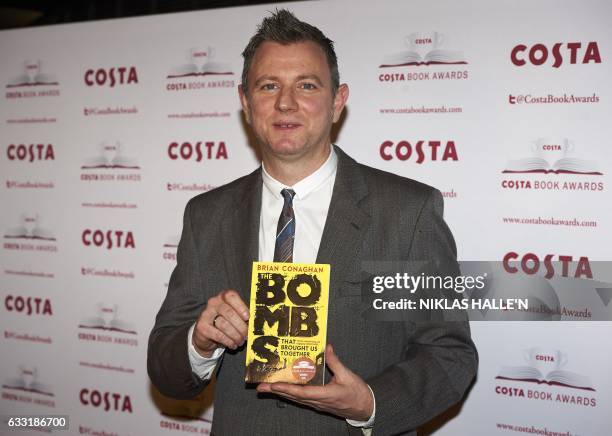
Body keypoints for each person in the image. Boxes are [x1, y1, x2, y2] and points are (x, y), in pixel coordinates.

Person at [148, 9, 477, 436]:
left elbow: (448, 354)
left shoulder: (407, 212)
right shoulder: (206, 215)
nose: (286, 102)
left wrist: (370, 403)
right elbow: (165, 368)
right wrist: (199, 342)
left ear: (338, 101)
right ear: (246, 102)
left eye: (306, 85)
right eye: (269, 86)